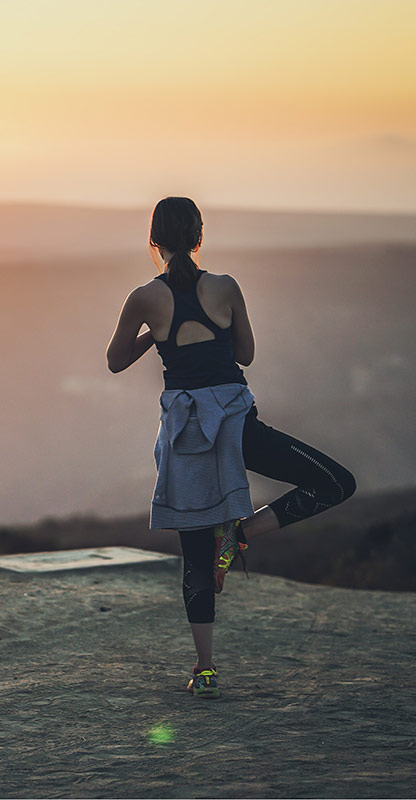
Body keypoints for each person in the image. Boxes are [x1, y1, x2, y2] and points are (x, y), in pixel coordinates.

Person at [105, 196, 356, 698]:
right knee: (334, 483)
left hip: (184, 435)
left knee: (194, 550)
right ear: (199, 236)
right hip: (236, 424)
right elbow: (245, 354)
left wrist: (157, 337)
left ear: (154, 240)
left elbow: (115, 361)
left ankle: (205, 669)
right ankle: (242, 533)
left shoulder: (143, 298)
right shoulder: (226, 288)